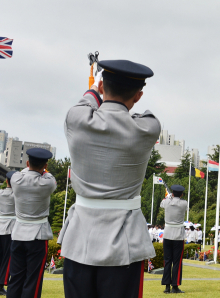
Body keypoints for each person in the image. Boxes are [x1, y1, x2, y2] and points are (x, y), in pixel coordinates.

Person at [59, 59, 160, 298]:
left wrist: (94, 87)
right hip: (125, 242)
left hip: (79, 239)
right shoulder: (147, 128)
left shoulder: (76, 119)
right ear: (138, 96)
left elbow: (86, 102)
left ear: (103, 86)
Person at [7, 148, 57, 298]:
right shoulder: (47, 182)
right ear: (45, 165)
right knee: (33, 279)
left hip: (18, 233)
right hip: (37, 236)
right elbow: (48, 175)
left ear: (28, 162)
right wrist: (43, 169)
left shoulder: (16, 179)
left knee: (15, 277)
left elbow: (21, 172)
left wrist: (29, 168)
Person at [161, 184, 186, 294]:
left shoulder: (166, 202)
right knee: (177, 262)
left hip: (167, 234)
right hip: (178, 236)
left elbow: (162, 203)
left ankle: (167, 286)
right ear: (181, 194)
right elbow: (180, 202)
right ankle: (175, 286)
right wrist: (172, 196)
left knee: (167, 261)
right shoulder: (183, 203)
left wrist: (169, 196)